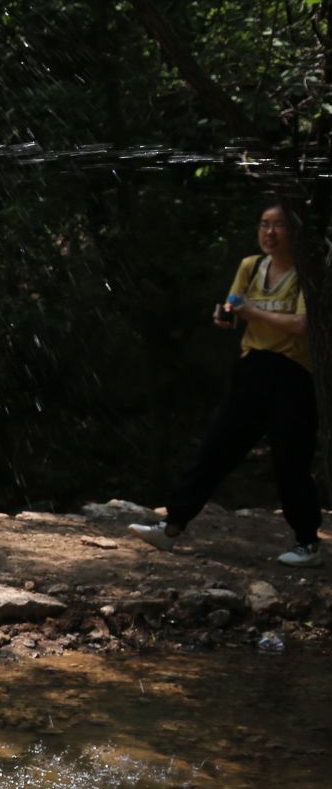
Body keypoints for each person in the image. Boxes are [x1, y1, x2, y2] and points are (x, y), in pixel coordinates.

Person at [131, 200, 321, 567]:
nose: (269, 232)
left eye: (278, 225)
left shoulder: (306, 272)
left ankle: (307, 543)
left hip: (294, 374)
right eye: (264, 224)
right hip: (252, 368)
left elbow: (303, 325)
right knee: (216, 448)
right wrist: (227, 317)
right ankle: (171, 526)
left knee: (290, 461)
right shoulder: (251, 267)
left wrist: (251, 312)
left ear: (294, 232)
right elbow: (235, 310)